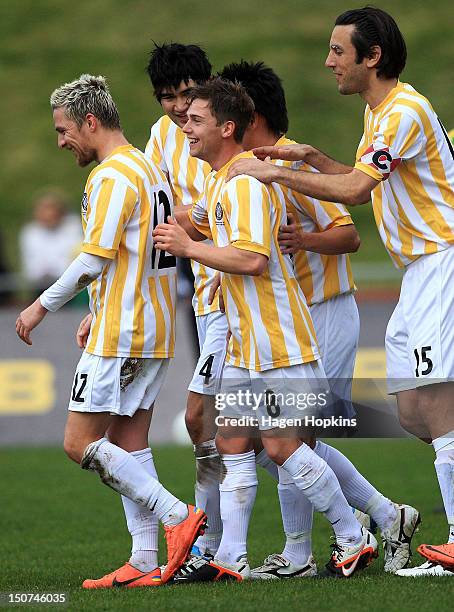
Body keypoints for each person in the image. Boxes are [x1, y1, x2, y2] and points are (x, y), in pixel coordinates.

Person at [227, 7, 454, 577]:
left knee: (437, 406)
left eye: (338, 51)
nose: (328, 62)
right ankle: (384, 517)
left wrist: (276, 174)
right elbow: (357, 179)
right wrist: (307, 158)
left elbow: (353, 192)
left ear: (371, 56)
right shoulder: (379, 114)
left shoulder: (402, 111)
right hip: (417, 271)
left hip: (440, 261)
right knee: (412, 414)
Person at [153, 77, 378, 581]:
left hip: (279, 336)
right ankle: (229, 556)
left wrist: (189, 250)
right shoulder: (219, 183)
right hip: (243, 342)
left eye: (195, 120)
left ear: (227, 127)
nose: (183, 126)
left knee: (281, 447)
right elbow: (207, 226)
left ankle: (352, 532)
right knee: (228, 440)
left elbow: (251, 260)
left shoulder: (247, 185)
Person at [15, 73, 207, 587]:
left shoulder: (112, 176)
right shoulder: (148, 166)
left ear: (90, 121)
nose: (61, 142)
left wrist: (38, 307)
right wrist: (97, 309)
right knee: (127, 443)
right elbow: (133, 256)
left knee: (80, 443)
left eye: (63, 130)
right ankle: (144, 559)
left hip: (124, 331)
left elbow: (93, 258)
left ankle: (177, 516)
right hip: (153, 325)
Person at [144, 42, 229, 559]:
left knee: (210, 420)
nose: (178, 107)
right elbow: (163, 215)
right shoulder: (159, 138)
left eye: (187, 94)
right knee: (252, 428)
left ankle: (205, 547)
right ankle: (371, 514)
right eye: (166, 97)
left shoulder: (231, 120)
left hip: (242, 287)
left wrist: (191, 215)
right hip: (205, 288)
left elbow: (206, 211)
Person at [19, 190, 82, 298]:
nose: (48, 215)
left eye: (52, 211)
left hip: (71, 289)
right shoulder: (30, 232)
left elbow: (77, 259)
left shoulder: (73, 227)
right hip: (40, 288)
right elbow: (31, 267)